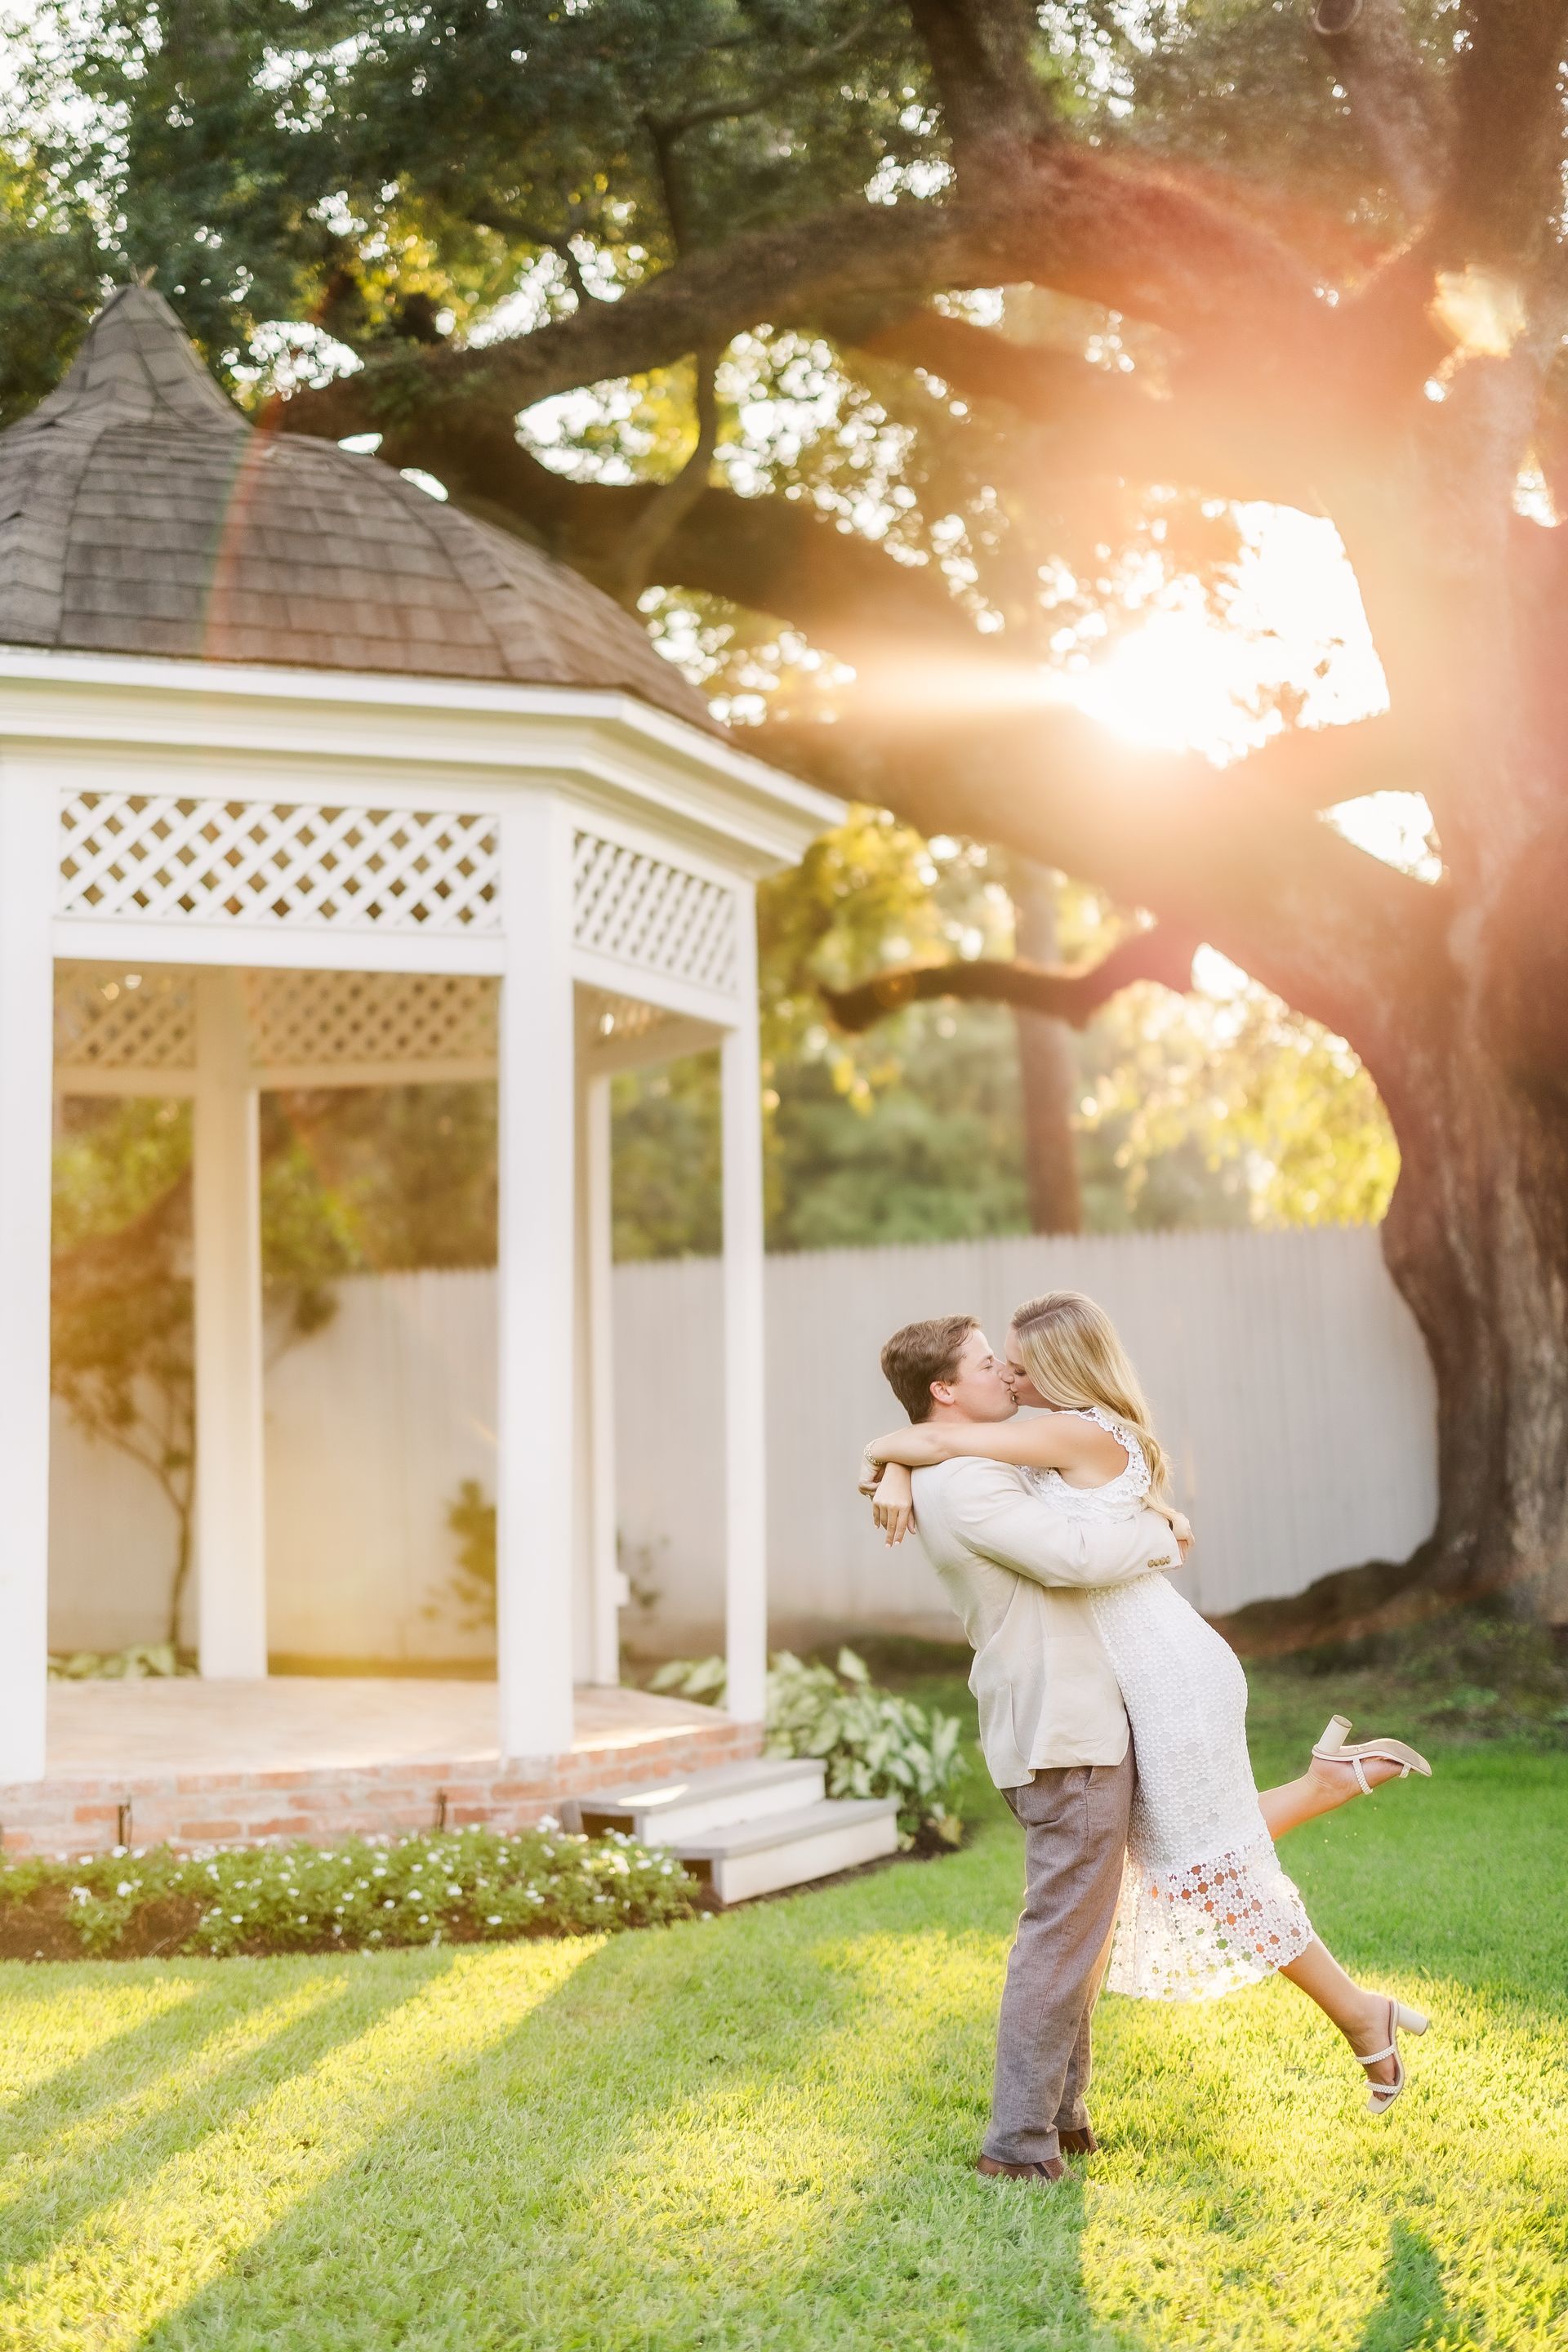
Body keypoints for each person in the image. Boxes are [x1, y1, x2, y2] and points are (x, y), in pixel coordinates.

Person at [866, 1297, 1432, 2184]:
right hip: (1073, 1718)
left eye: (1011, 1361)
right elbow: (1075, 1557)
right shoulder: (971, 1474)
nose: (1004, 1375)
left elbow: (939, 1453)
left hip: (1134, 1686)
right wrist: (1155, 1527)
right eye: (987, 1365)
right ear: (944, 1389)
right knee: (1096, 1916)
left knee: (1153, 1885)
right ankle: (1025, 2142)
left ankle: (1057, 2120)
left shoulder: (1034, 1444)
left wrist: (896, 1461)